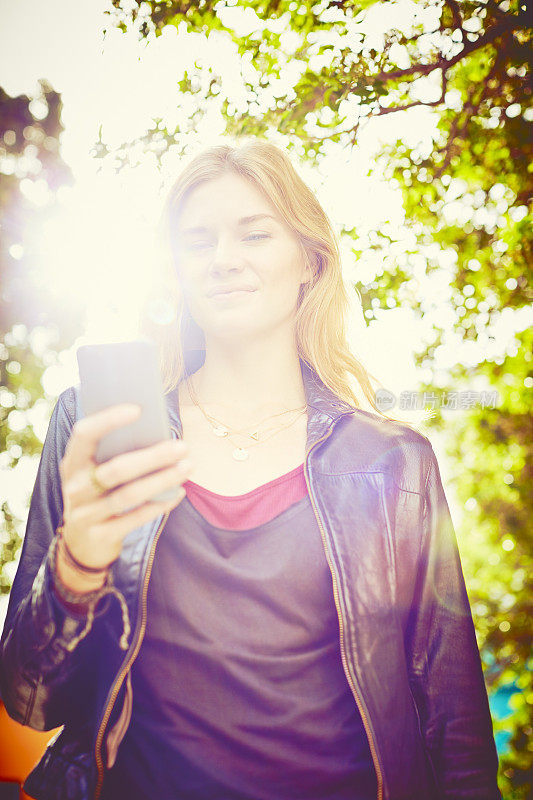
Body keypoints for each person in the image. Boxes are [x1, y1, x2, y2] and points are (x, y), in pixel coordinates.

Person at [0, 140, 501, 800]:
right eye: (197, 240)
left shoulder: (390, 464)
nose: (222, 259)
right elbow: (30, 701)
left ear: (309, 262)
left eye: (255, 233)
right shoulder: (98, 427)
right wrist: (76, 567)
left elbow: (453, 724)